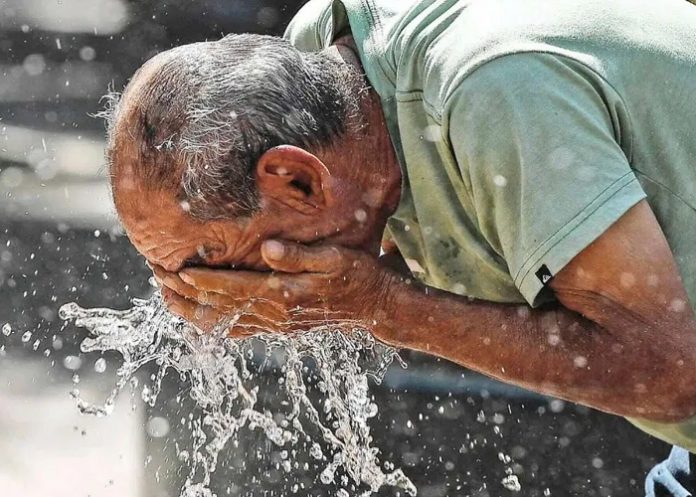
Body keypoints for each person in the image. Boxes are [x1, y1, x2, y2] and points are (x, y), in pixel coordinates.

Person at [103, 0, 696, 494]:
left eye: (208, 259)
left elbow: (671, 374)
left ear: (297, 180)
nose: (200, 296)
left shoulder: (494, 97)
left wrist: (382, 307)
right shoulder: (333, 66)